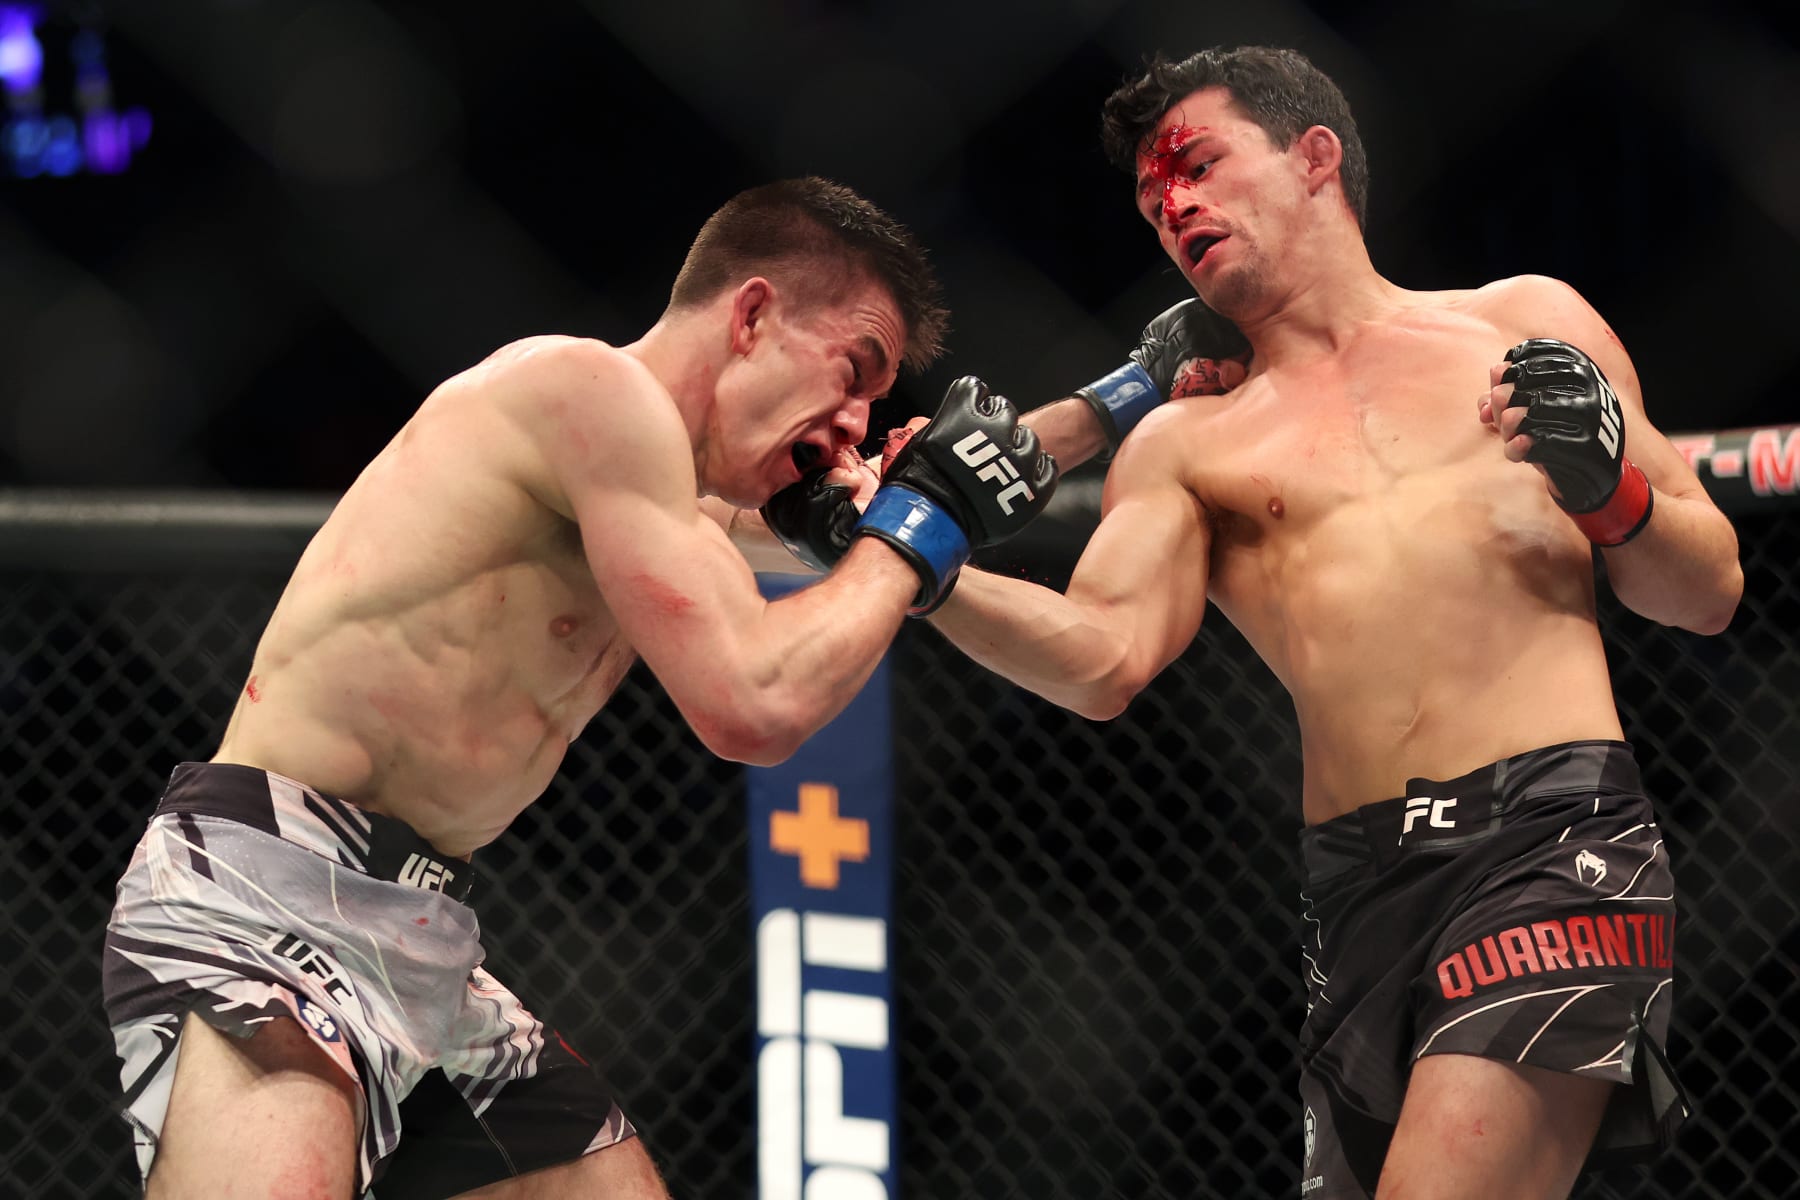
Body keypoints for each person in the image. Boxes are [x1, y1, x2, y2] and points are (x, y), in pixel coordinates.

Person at [762, 47, 1742, 1199]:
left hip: (1553, 842)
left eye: (1200, 166)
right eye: (1152, 199)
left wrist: (1614, 488)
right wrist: (912, 564)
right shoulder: (1189, 441)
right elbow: (1105, 661)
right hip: (1360, 885)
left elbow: (1708, 589)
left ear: (1315, 157)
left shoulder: (1522, 324)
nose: (1176, 207)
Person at [101, 176, 1058, 1199]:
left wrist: (1118, 399)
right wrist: (918, 525)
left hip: (413, 924)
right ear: (752, 314)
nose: (858, 424)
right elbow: (755, 702)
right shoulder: (587, 394)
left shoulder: (665, 507)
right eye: (856, 371)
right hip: (264, 887)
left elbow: (893, 531)